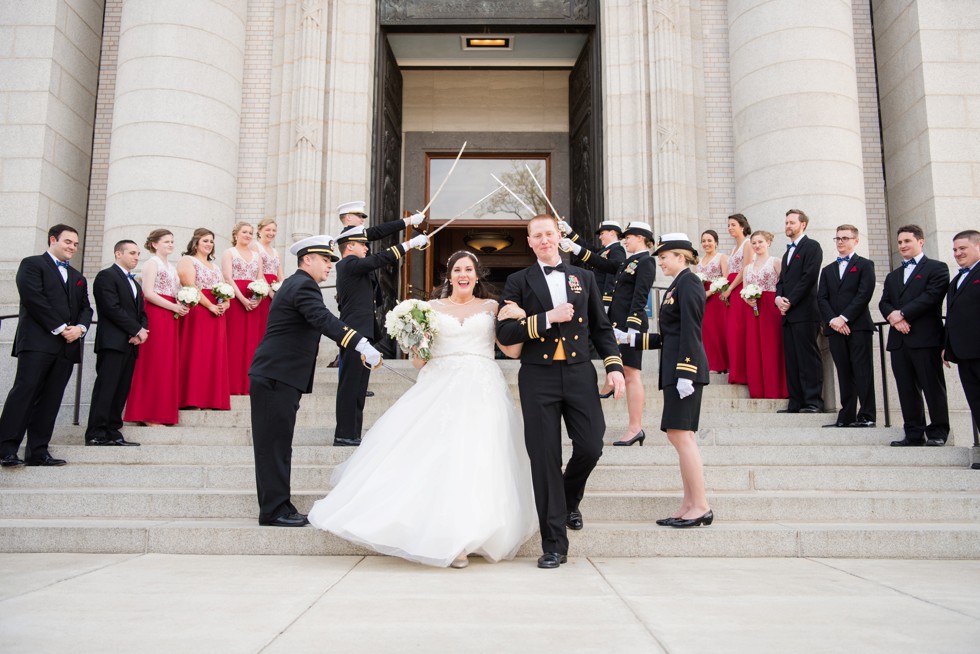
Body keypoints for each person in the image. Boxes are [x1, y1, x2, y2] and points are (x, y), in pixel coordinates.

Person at [309, 251, 537, 568]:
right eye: (457, 268)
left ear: (477, 274)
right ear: (449, 274)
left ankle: (474, 533)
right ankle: (448, 539)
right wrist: (417, 338)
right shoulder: (429, 309)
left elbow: (511, 351)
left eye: (469, 269)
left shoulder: (492, 307)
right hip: (439, 385)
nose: (463, 274)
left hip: (482, 388)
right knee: (441, 458)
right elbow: (419, 361)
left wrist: (522, 319)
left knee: (480, 458)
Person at [497, 214, 626, 569]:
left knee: (591, 445)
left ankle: (569, 499)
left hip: (579, 373)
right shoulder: (517, 281)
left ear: (559, 237)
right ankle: (554, 543)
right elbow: (506, 335)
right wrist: (546, 318)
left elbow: (601, 328)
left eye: (549, 234)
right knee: (545, 459)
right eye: (536, 236)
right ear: (529, 242)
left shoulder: (583, 277)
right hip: (538, 377)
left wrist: (614, 367)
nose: (544, 240)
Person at [249, 235, 382, 527]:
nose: (329, 267)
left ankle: (278, 506)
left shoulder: (297, 285)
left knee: (278, 445)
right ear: (306, 259)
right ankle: (274, 510)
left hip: (280, 377)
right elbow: (323, 319)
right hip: (276, 376)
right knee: (274, 446)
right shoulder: (302, 285)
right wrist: (360, 343)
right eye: (325, 260)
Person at [616, 233, 712, 527]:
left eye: (664, 257)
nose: (660, 262)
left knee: (682, 436)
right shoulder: (677, 285)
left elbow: (691, 331)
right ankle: (688, 503)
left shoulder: (690, 283)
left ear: (680, 257)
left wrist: (686, 371)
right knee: (677, 435)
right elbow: (669, 334)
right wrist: (633, 338)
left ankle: (701, 506)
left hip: (684, 370)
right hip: (674, 368)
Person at [0, 224, 92, 468]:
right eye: (68, 242)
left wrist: (80, 329)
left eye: (75, 244)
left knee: (52, 400)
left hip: (67, 347)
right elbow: (33, 299)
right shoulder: (32, 264)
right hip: (37, 343)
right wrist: (62, 328)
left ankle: (38, 451)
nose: (73, 247)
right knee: (24, 393)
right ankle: (7, 449)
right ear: (53, 239)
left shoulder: (78, 277)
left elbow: (86, 308)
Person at [333, 225, 428, 446]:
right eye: (362, 244)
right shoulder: (348, 264)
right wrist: (410, 244)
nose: (366, 248)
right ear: (350, 246)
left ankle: (352, 433)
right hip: (353, 333)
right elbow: (378, 259)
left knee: (358, 386)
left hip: (361, 332)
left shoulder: (357, 268)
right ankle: (344, 433)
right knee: (350, 386)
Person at [880, 224, 950, 446]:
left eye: (907, 241)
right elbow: (884, 302)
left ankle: (938, 432)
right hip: (899, 341)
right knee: (906, 389)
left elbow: (931, 297)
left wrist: (901, 314)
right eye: (899, 242)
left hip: (925, 338)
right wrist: (892, 316)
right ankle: (913, 433)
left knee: (932, 387)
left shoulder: (937, 268)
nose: (902, 246)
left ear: (920, 242)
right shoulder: (893, 276)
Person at [85, 239, 147, 447]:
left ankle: (113, 431)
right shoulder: (106, 276)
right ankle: (96, 433)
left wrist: (141, 331)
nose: (136, 257)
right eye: (132, 253)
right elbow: (111, 308)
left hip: (131, 344)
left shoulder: (135, 283)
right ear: (118, 254)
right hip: (112, 343)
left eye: (138, 254)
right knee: (106, 388)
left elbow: (141, 312)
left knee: (121, 390)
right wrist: (135, 329)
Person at [123, 229, 186, 426]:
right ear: (155, 244)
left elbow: (175, 290)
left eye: (172, 241)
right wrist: (174, 306)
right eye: (166, 241)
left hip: (171, 316)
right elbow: (148, 293)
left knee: (167, 362)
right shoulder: (152, 263)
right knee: (154, 361)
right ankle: (147, 413)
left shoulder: (172, 266)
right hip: (157, 314)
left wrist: (184, 300)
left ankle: (163, 412)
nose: (170, 244)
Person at [817, 225, 876, 428]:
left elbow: (864, 294)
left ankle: (867, 415)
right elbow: (821, 298)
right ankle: (847, 415)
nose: (840, 242)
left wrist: (844, 318)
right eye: (838, 238)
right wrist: (834, 320)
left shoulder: (865, 265)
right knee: (843, 372)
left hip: (858, 327)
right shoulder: (827, 270)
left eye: (845, 238)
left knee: (862, 371)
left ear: (855, 241)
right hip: (835, 329)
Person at [603, 222, 656, 445]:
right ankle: (608, 386)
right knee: (622, 368)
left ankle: (635, 428)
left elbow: (641, 294)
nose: (625, 240)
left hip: (629, 325)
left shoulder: (646, 261)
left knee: (632, 374)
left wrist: (632, 325)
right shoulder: (629, 261)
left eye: (629, 237)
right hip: (618, 323)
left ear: (641, 238)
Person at [775, 209, 824, 413]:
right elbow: (782, 281)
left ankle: (813, 401)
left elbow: (809, 277)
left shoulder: (812, 247)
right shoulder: (787, 253)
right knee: (792, 359)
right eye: (786, 222)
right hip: (788, 315)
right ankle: (796, 402)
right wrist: (778, 298)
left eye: (792, 222)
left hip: (805, 313)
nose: (788, 226)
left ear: (803, 224)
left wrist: (790, 301)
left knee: (808, 358)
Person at [176, 228, 231, 410]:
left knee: (213, 354)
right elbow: (191, 286)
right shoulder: (187, 260)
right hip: (199, 311)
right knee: (196, 353)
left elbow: (224, 288)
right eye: (205, 241)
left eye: (211, 241)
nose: (209, 244)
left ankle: (211, 399)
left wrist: (226, 303)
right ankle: (191, 398)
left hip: (217, 313)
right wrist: (210, 306)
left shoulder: (215, 266)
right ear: (196, 242)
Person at [943, 230, 980, 468]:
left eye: (962, 248)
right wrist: (947, 347)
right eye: (955, 249)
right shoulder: (957, 280)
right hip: (965, 353)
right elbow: (953, 316)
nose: (957, 253)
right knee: (976, 403)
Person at [741, 231, 788, 399]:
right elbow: (745, 288)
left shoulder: (775, 262)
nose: (757, 245)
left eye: (760, 242)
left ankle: (776, 388)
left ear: (768, 242)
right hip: (754, 309)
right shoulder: (747, 268)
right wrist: (748, 299)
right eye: (754, 243)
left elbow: (784, 284)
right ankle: (758, 389)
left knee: (772, 346)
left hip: (771, 307)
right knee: (755, 346)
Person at [221, 222, 262, 395]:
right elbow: (228, 277)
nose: (248, 235)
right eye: (244, 232)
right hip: (236, 298)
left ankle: (249, 384)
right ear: (236, 234)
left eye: (250, 233)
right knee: (235, 340)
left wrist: (257, 299)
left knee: (252, 341)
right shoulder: (229, 253)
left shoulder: (257, 255)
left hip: (253, 301)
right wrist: (242, 299)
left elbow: (260, 279)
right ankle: (232, 385)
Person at [560, 219, 627, 310]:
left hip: (603, 300)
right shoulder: (605, 250)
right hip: (597, 298)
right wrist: (570, 232)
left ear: (611, 233)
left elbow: (612, 274)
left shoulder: (617, 249)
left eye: (602, 233)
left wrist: (606, 301)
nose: (599, 237)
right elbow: (587, 248)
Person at [721, 213, 753, 385]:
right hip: (732, 290)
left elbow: (746, 269)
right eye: (728, 225)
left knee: (740, 330)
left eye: (733, 224)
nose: (730, 228)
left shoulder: (747, 244)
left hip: (741, 289)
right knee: (733, 332)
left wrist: (731, 288)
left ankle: (744, 373)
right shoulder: (733, 249)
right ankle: (736, 372)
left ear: (742, 226)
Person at [697, 230, 729, 373]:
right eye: (704, 241)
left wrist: (710, 292)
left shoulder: (721, 257)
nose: (706, 243)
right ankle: (713, 364)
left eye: (709, 240)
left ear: (716, 242)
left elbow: (726, 278)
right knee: (707, 331)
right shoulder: (699, 262)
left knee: (719, 330)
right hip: (703, 299)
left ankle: (725, 364)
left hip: (717, 297)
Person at [252, 217, 284, 336]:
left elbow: (280, 273)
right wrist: (269, 291)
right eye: (268, 230)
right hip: (262, 287)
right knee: (262, 322)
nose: (271, 233)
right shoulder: (255, 247)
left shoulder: (275, 251)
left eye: (274, 230)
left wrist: (283, 291)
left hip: (275, 287)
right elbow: (258, 271)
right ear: (260, 231)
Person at [337, 200, 425, 241]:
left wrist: (409, 220)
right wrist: (409, 220)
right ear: (348, 217)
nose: (362, 220)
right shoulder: (350, 235)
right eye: (359, 216)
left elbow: (379, 231)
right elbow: (379, 231)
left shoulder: (356, 233)